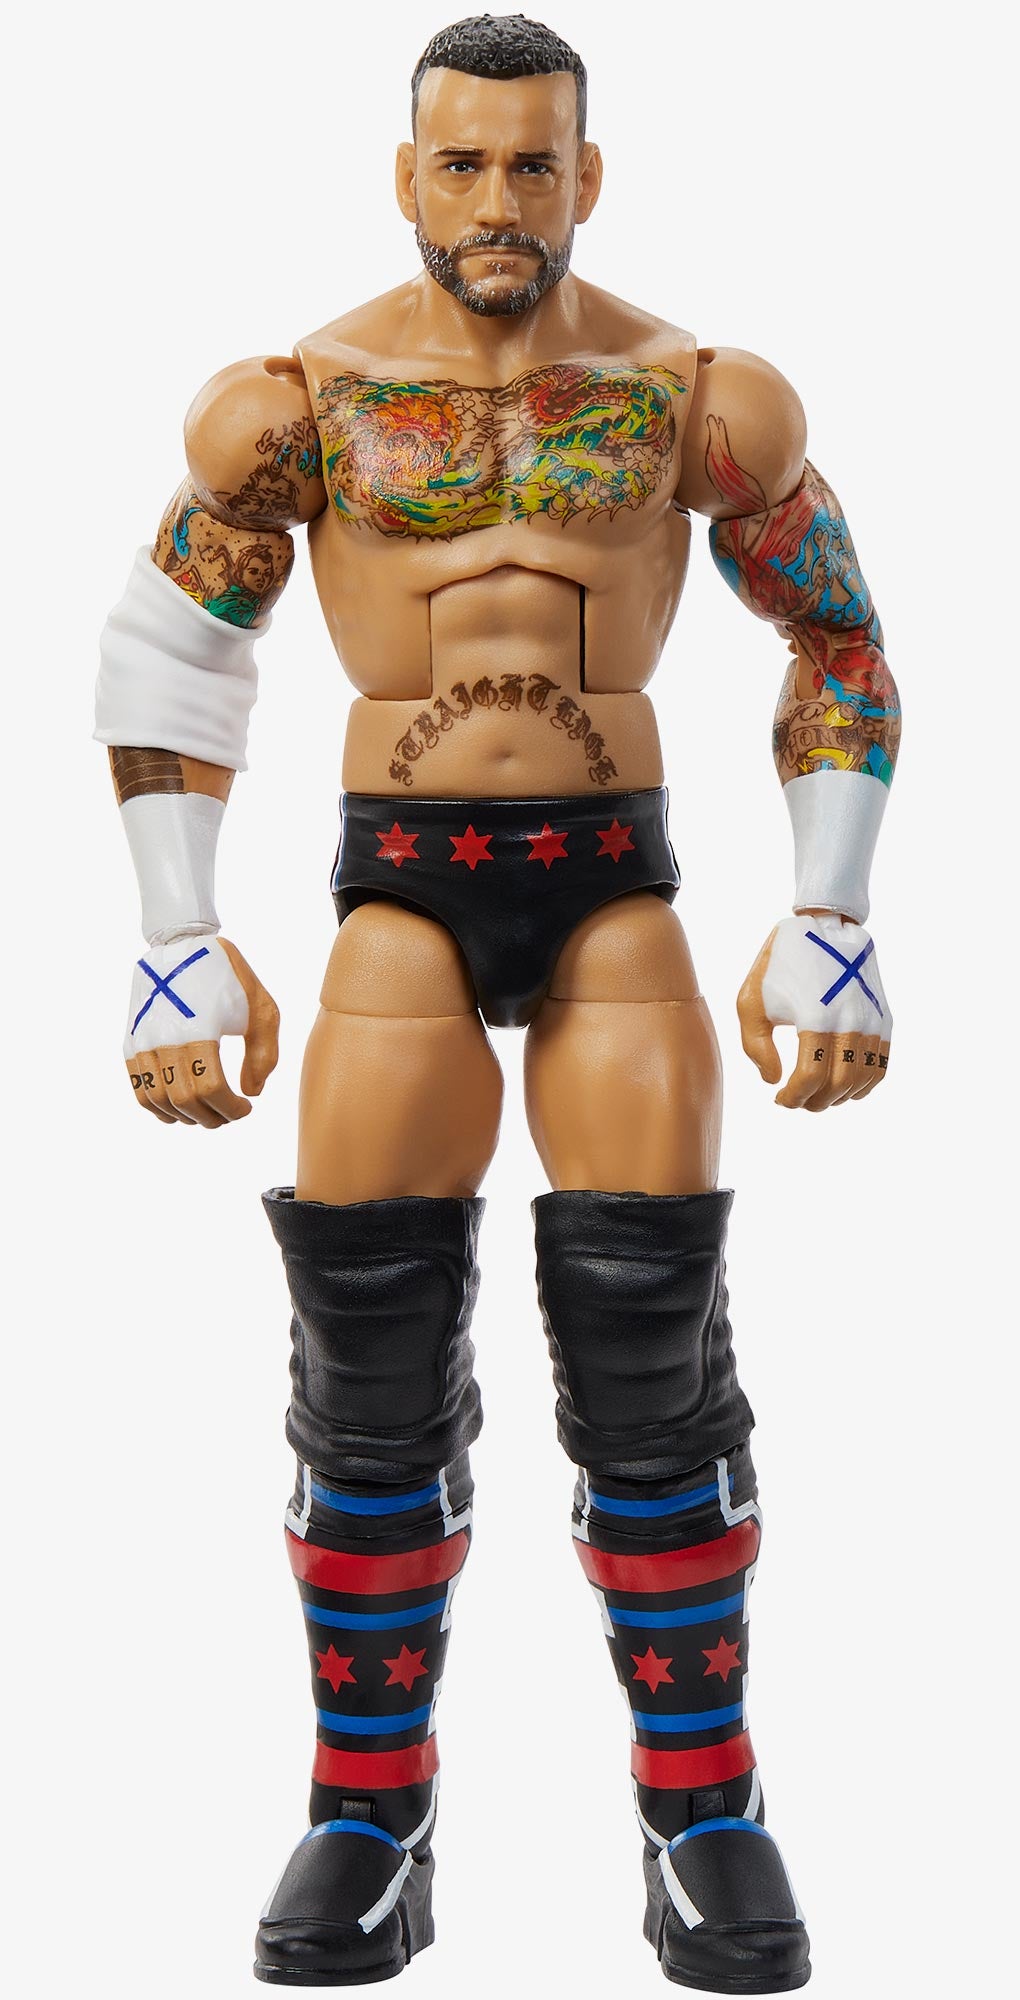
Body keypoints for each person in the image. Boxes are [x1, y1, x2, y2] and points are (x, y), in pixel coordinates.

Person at [95, 14, 897, 1991]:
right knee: (364, 1350)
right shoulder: (300, 401)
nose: (498, 198)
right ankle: (367, 1814)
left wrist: (833, 911)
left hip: (616, 884)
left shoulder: (699, 400)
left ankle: (704, 1808)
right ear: (407, 175)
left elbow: (841, 639)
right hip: (401, 891)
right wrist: (178, 935)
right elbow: (176, 649)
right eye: (461, 162)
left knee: (652, 1343)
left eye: (534, 161)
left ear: (586, 175)